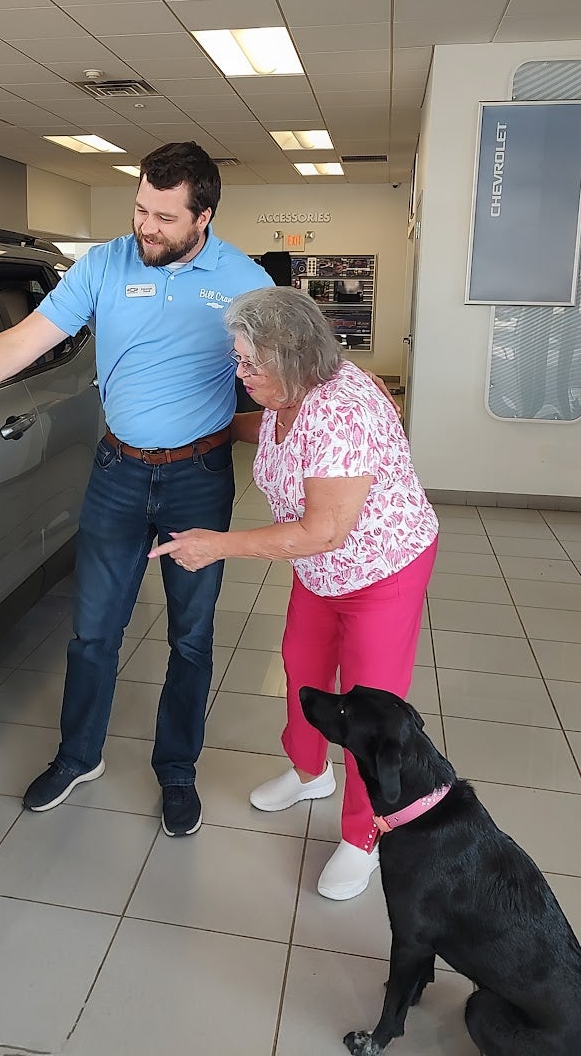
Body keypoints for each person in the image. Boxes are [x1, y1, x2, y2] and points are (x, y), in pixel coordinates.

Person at [0, 141, 272, 837]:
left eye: (164, 216)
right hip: (118, 472)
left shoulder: (245, 281)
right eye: (140, 208)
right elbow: (20, 342)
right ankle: (78, 755)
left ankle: (176, 769)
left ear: (204, 217)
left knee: (191, 637)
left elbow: (281, 374)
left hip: (198, 477)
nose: (146, 226)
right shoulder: (103, 265)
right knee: (93, 631)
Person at [149, 287, 438, 895]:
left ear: (293, 358)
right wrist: (205, 430)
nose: (240, 372)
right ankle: (310, 773)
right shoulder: (287, 395)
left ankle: (365, 833)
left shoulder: (342, 411)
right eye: (238, 359)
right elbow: (268, 432)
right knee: (302, 670)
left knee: (370, 708)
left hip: (381, 570)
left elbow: (323, 530)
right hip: (319, 571)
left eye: (251, 363)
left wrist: (217, 545)